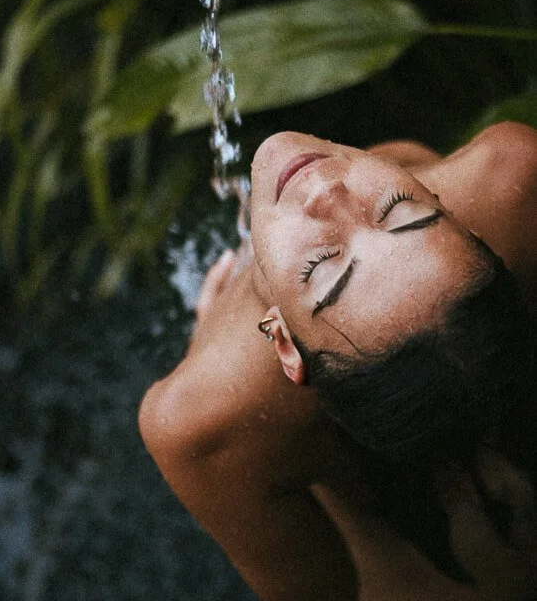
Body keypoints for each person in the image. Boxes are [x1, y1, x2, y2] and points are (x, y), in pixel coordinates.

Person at [139, 121, 537, 601]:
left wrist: (197, 343)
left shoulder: (201, 418)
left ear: (283, 341)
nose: (326, 192)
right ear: (469, 233)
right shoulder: (515, 178)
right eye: (399, 211)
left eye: (322, 266)